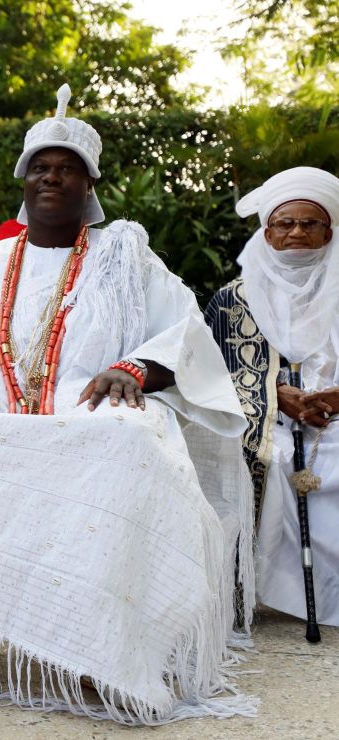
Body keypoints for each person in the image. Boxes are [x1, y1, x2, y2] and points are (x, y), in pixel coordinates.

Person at [0, 85, 257, 724]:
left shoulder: (126, 254)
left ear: (90, 182)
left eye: (67, 168)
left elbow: (184, 330)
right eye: (41, 166)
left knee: (125, 441)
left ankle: (115, 647)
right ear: (24, 179)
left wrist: (135, 367)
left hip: (89, 402)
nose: (52, 177)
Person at [206, 167, 339, 625]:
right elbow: (207, 377)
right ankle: (246, 592)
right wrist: (274, 396)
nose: (297, 232)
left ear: (329, 231)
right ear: (267, 233)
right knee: (251, 450)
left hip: (334, 423)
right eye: (286, 223)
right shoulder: (231, 300)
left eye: (310, 223)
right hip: (263, 422)